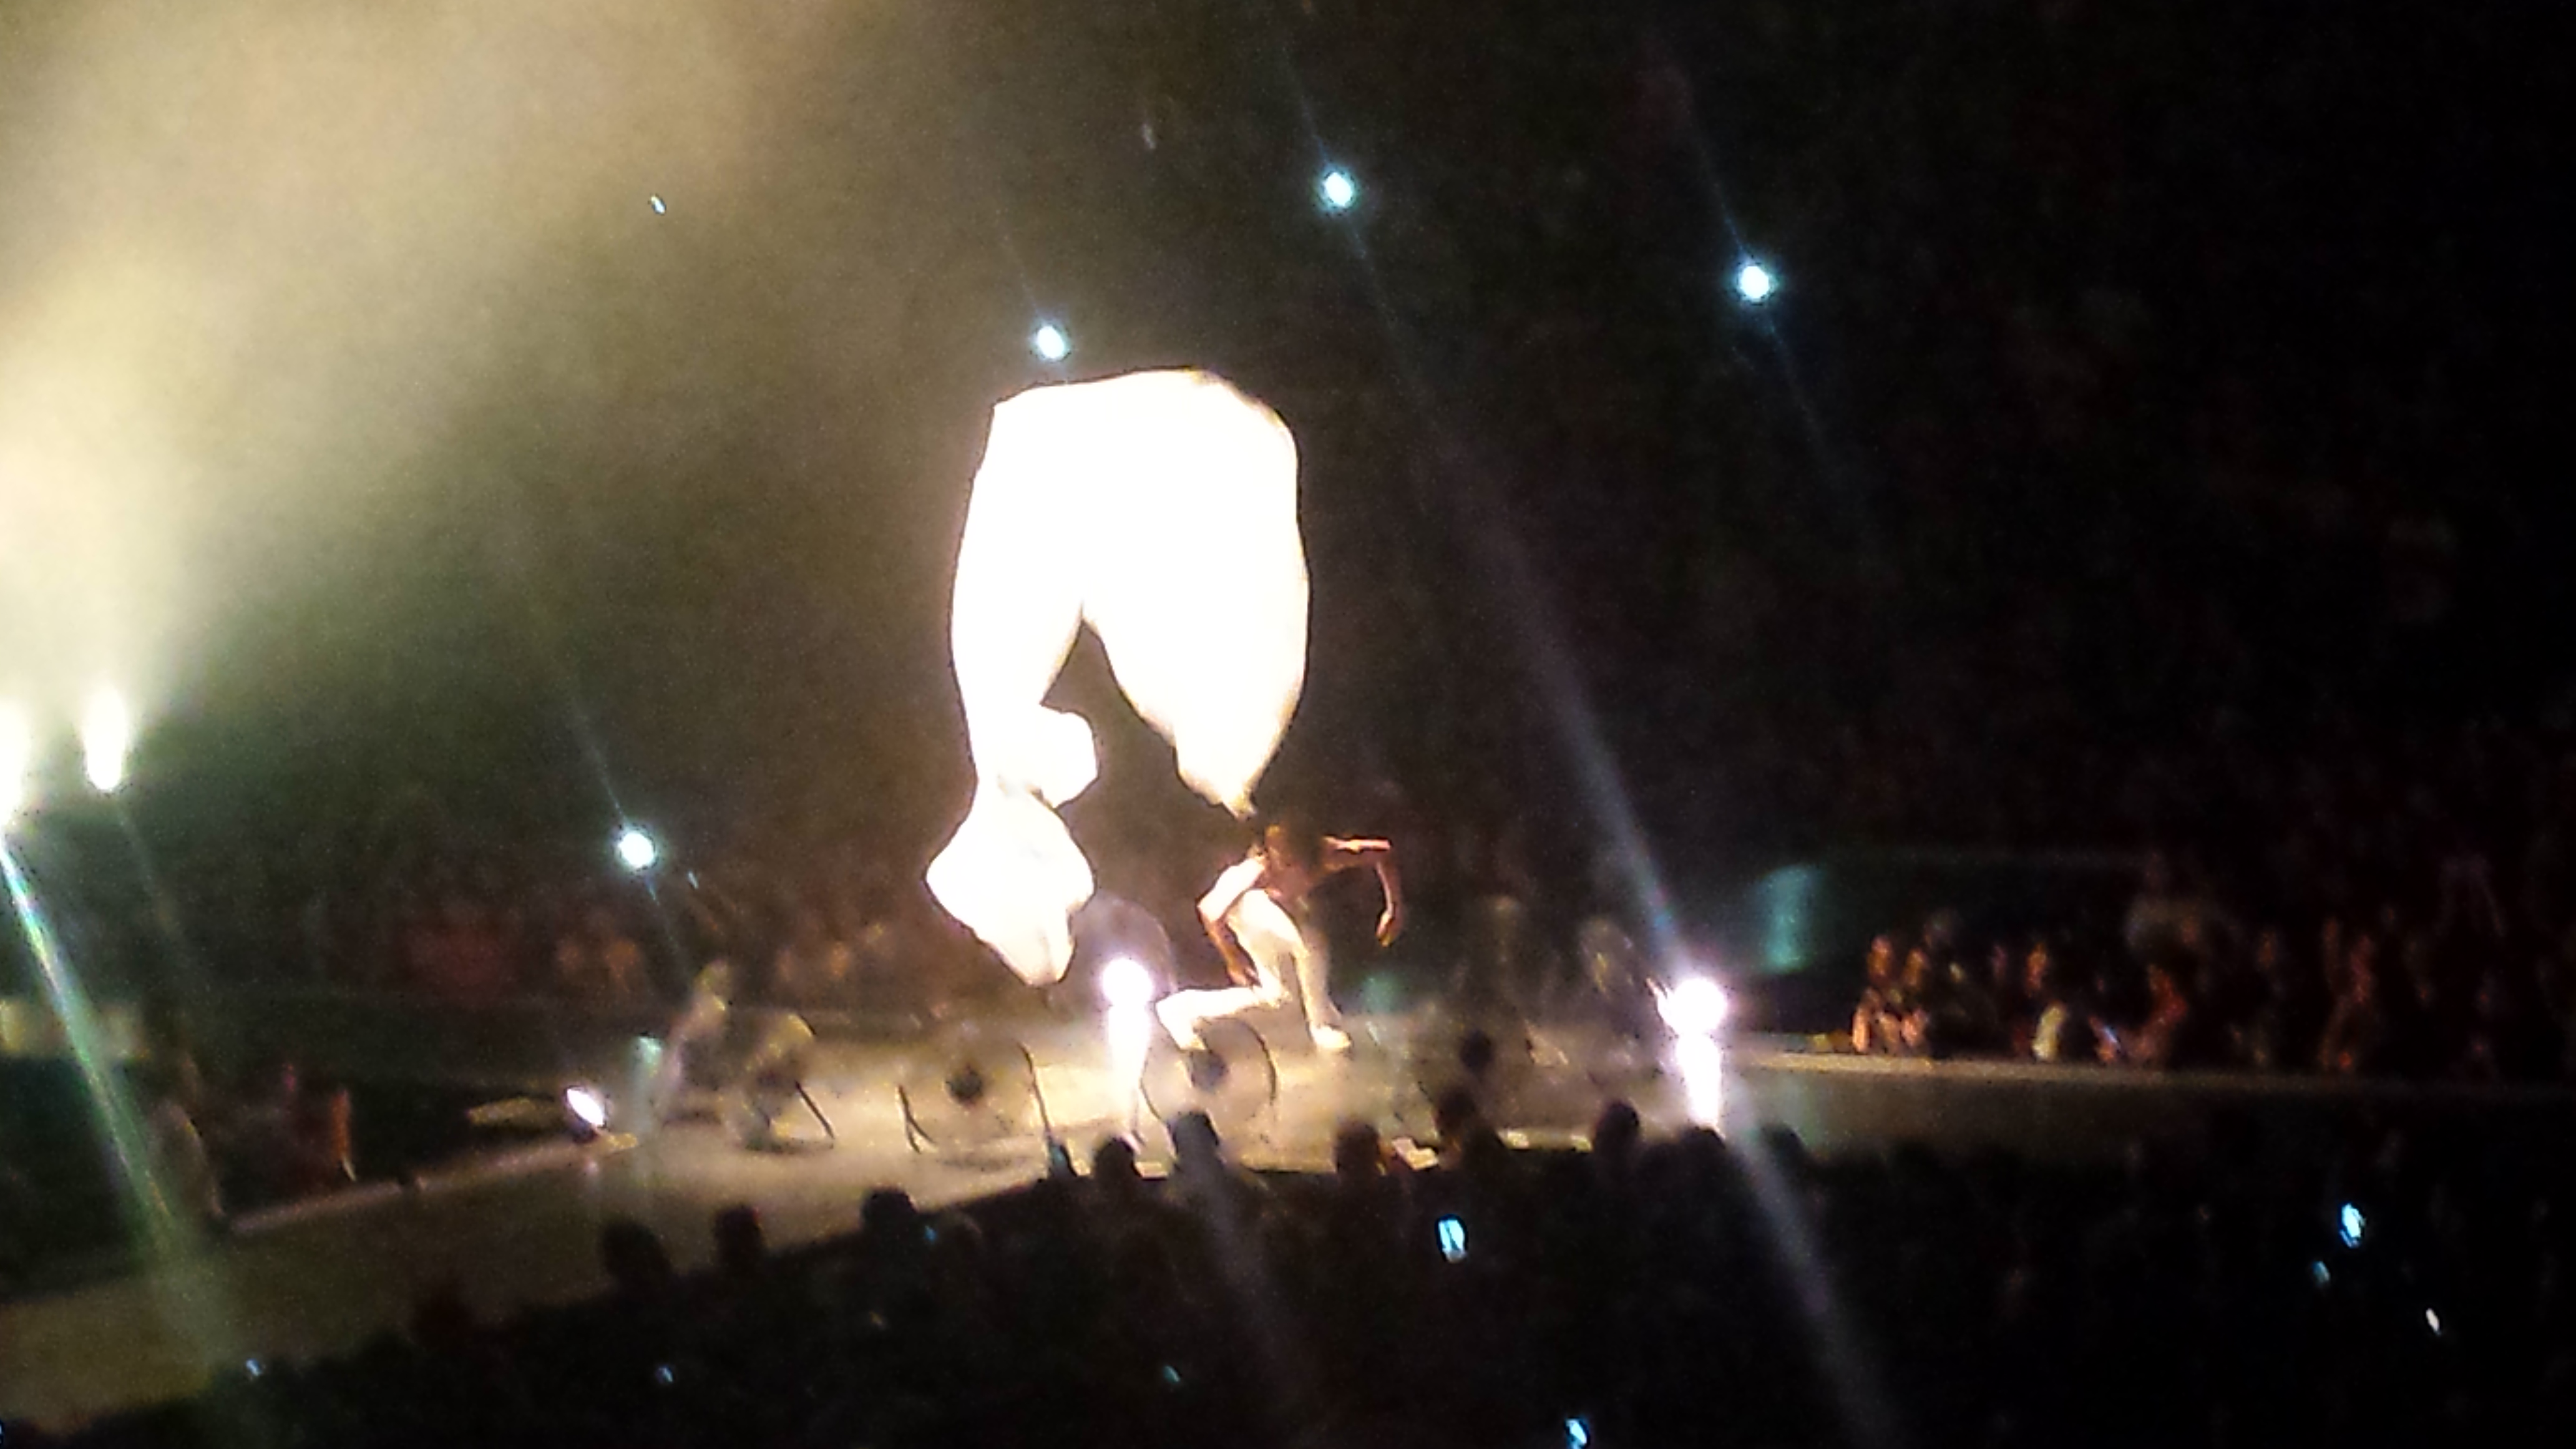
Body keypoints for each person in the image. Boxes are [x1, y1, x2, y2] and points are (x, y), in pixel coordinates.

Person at [1156, 814, 1402, 1054]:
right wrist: (1234, 959)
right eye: (1280, 855)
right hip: (1247, 911)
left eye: (1293, 857)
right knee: (1309, 943)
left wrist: (1394, 908)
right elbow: (1210, 911)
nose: (1286, 863)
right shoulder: (1256, 871)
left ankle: (1183, 1008)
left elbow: (1384, 851)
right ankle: (1321, 1022)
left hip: (1278, 914)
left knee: (1278, 997)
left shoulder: (1331, 854)